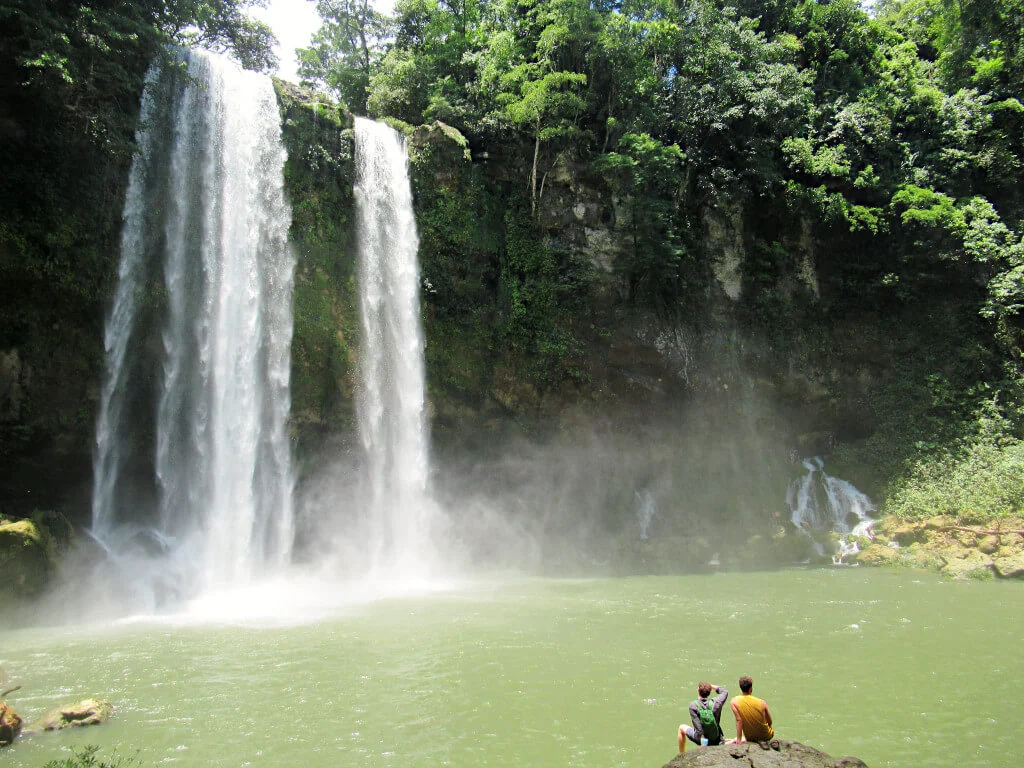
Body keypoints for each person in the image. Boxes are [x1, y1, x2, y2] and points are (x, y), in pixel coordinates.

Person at [677, 681, 729, 753]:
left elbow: (699, 729)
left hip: (702, 740)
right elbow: (725, 691)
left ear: (698, 690)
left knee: (681, 727)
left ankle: (681, 754)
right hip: (716, 738)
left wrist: (703, 744)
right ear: (709, 691)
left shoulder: (693, 705)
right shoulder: (716, 702)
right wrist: (711, 686)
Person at [729, 675, 774, 744]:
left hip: (750, 737)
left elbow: (739, 720)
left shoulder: (734, 702)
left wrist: (739, 739)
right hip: (766, 737)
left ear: (740, 688)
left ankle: (738, 740)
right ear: (751, 689)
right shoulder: (762, 703)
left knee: (734, 740)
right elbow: (770, 722)